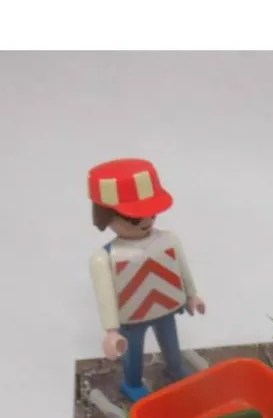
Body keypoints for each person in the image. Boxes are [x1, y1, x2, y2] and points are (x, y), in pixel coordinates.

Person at [87, 158, 206, 402]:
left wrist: (192, 295)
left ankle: (174, 369)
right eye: (133, 218)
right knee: (133, 353)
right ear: (106, 216)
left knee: (171, 345)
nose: (146, 221)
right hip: (132, 317)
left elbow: (182, 269)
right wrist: (111, 331)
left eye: (151, 213)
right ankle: (132, 383)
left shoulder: (169, 239)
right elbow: (105, 295)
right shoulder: (105, 257)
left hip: (166, 307)